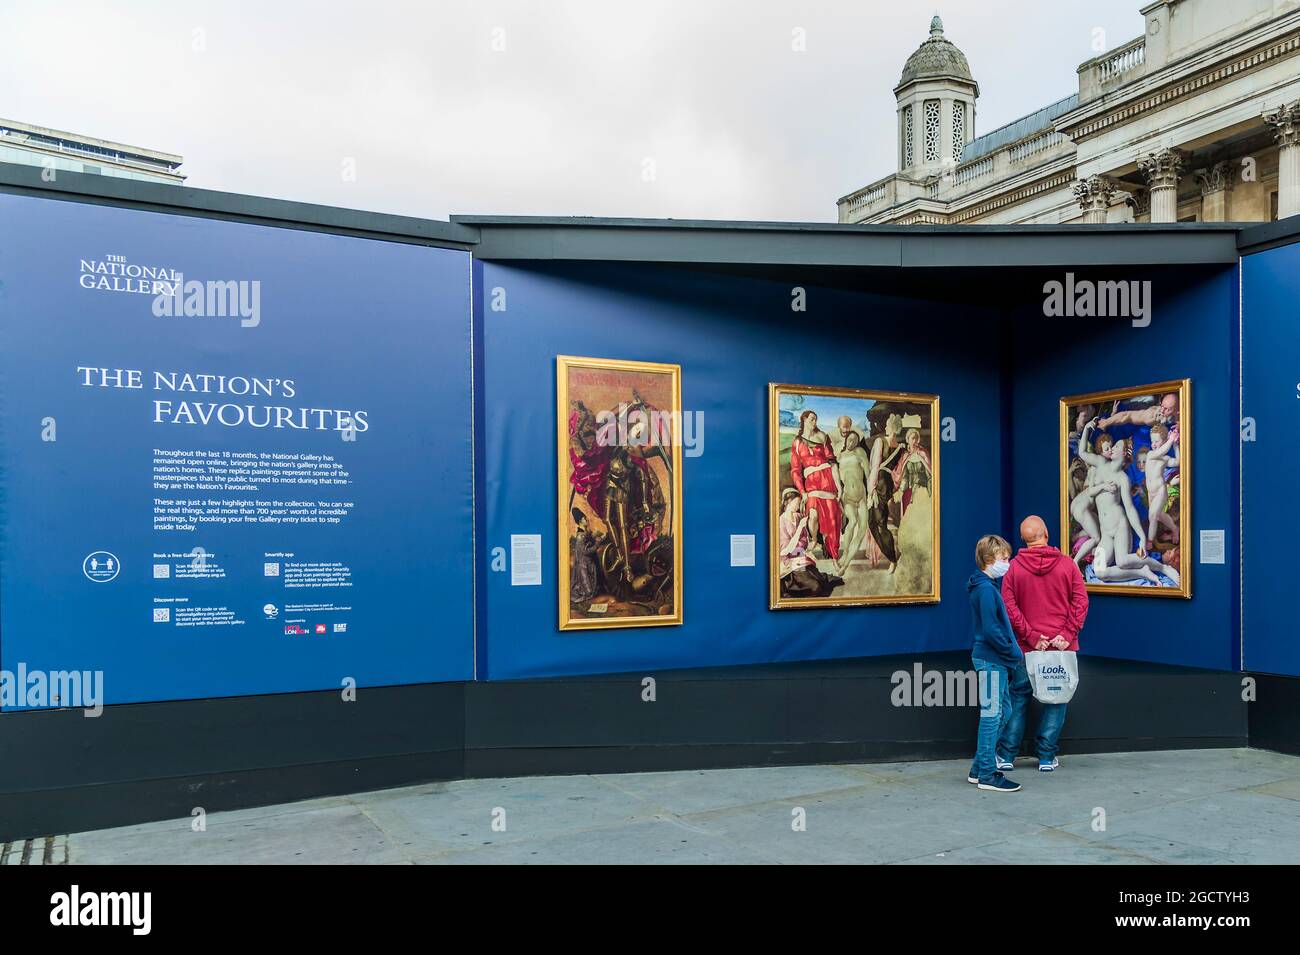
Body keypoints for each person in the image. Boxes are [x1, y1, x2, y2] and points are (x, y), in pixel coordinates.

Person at [998, 515, 1089, 772]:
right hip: (1062, 648)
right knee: (1057, 700)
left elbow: (1009, 607)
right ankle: (1047, 757)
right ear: (1046, 533)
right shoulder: (1068, 565)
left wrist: (1031, 636)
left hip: (1027, 649)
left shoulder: (1013, 568)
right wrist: (1067, 633)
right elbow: (1081, 602)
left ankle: (1006, 755)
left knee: (1019, 697)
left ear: (1023, 540)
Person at [966, 534, 1022, 792]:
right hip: (991, 660)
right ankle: (987, 774)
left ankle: (979, 768)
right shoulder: (986, 590)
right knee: (991, 715)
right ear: (989, 559)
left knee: (1004, 711)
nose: (1007, 563)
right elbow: (991, 630)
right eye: (1004, 558)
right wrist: (1013, 653)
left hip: (993, 659)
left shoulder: (985, 587)